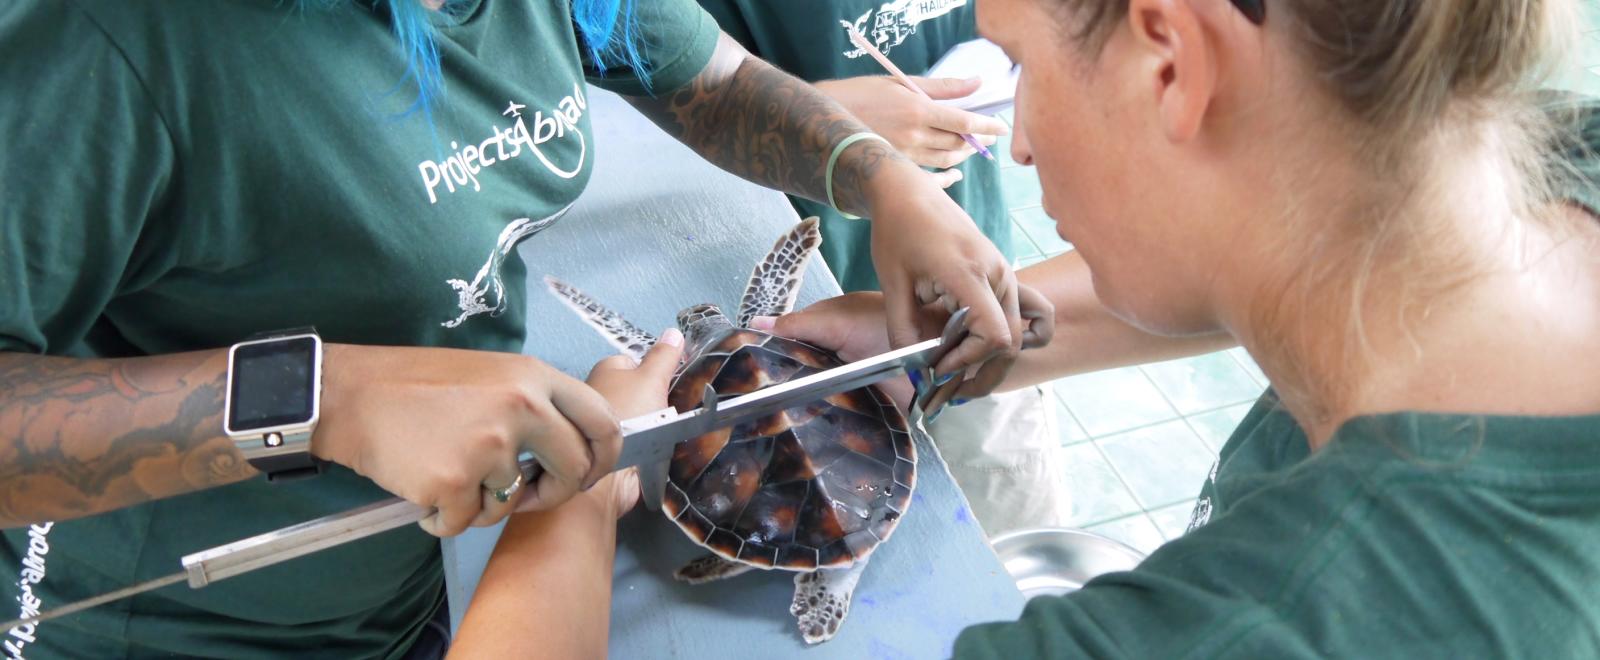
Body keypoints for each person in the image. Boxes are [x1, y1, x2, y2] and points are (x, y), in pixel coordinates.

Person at [452, 0, 1600, 655]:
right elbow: (1317, 257)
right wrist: (985, 343)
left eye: (1014, 62)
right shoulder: (1547, 175)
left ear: (1170, 57)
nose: (1026, 142)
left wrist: (583, 498)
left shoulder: (1228, 632)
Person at [0, 0, 1040, 656]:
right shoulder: (106, 45)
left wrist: (873, 173)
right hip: (176, 617)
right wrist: (324, 397)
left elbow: (703, 75)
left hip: (406, 578)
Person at [696, 0, 1072, 535]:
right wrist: (821, 118)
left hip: (968, 272)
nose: (1027, 149)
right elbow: (656, 85)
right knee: (812, 522)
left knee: (1005, 521)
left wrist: (1011, 55)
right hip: (807, 295)